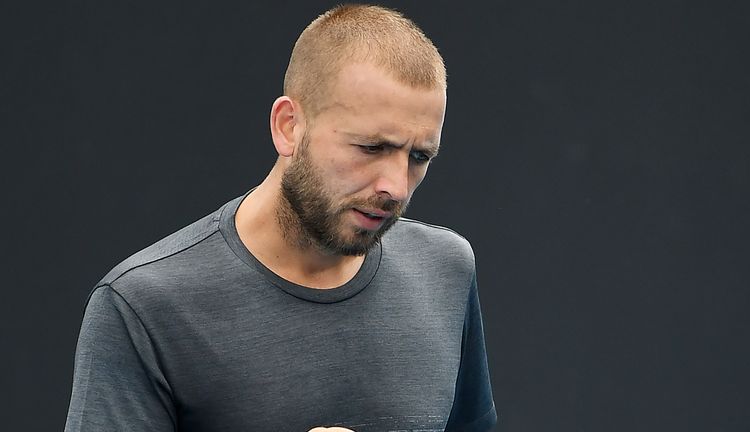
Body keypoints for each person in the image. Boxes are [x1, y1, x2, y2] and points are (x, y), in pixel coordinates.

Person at [65, 4, 496, 431]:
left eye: (419, 156)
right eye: (372, 148)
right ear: (289, 126)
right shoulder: (144, 306)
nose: (396, 187)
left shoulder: (445, 269)